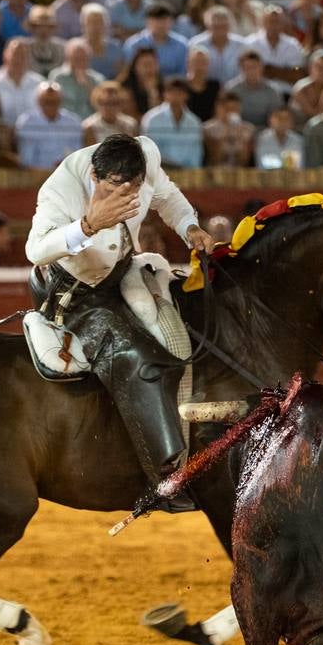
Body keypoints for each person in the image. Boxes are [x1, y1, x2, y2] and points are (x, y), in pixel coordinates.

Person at [25, 134, 218, 500]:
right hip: (74, 293)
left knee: (186, 331)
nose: (127, 194)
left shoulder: (145, 154)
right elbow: (36, 249)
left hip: (122, 272)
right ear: (95, 176)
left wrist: (189, 227)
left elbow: (167, 196)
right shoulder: (62, 187)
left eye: (134, 186)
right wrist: (87, 225)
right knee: (138, 359)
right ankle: (166, 476)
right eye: (116, 186)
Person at [16, 82, 86, 167]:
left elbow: (76, 156)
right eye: (46, 101)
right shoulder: (26, 122)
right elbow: (26, 159)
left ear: (61, 101)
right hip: (34, 174)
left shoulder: (74, 123)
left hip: (65, 173)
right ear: (38, 101)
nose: (50, 105)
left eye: (54, 101)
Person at [142, 76, 204, 167]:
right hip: (159, 174)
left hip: (187, 175)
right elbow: (148, 152)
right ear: (165, 94)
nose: (175, 96)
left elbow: (196, 153)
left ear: (186, 95)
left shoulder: (194, 121)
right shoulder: (152, 119)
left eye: (180, 92)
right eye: (171, 92)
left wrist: (191, 173)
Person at [0, 37, 44, 125]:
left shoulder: (40, 84)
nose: (19, 59)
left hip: (33, 135)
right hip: (2, 135)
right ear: (5, 55)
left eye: (23, 55)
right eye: (15, 54)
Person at [124, 4, 190, 77]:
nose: (161, 25)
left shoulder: (182, 45)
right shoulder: (134, 44)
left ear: (172, 22)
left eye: (164, 20)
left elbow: (182, 73)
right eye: (157, 21)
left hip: (172, 86)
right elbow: (129, 72)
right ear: (147, 22)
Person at [188, 6, 248, 84]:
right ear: (208, 26)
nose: (220, 31)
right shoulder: (196, 44)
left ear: (230, 26)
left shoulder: (241, 44)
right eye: (216, 27)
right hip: (206, 90)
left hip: (234, 92)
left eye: (224, 26)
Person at [225, 50, 284, 128]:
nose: (251, 71)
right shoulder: (231, 89)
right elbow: (227, 114)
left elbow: (276, 116)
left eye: (254, 67)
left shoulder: (273, 90)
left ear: (261, 67)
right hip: (238, 130)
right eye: (247, 67)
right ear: (241, 68)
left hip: (265, 131)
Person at [50, 38, 105, 119]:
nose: (80, 62)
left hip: (89, 122)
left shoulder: (98, 78)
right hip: (65, 121)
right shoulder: (58, 77)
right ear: (68, 58)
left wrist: (88, 86)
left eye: (83, 58)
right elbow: (52, 102)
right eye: (76, 58)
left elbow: (102, 106)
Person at [201, 91, 256, 165]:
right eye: (227, 109)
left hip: (240, 173)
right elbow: (214, 159)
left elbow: (244, 161)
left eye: (235, 109)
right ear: (218, 108)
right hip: (217, 172)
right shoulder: (207, 129)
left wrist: (240, 137)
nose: (231, 112)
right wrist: (225, 133)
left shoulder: (249, 129)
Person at [118, 47, 164, 119]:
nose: (149, 68)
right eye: (145, 64)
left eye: (153, 64)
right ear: (135, 67)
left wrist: (153, 92)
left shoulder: (164, 86)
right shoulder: (125, 88)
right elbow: (131, 118)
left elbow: (161, 116)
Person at [82, 4, 125, 79]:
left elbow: (121, 75)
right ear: (83, 25)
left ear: (106, 25)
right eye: (91, 22)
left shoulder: (115, 47)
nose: (95, 26)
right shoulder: (78, 48)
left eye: (99, 22)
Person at [183, 46, 221, 122]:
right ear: (188, 64)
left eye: (203, 62)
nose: (199, 66)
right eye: (196, 62)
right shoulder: (181, 86)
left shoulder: (215, 86)